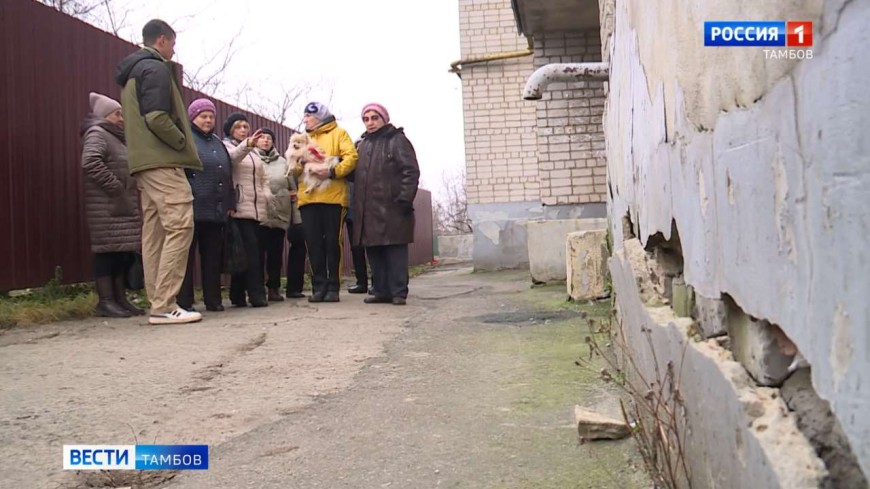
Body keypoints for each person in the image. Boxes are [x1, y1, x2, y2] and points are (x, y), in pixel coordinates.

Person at [115, 19, 203, 325]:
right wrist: (180, 141)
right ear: (162, 40)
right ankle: (166, 303)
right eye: (173, 43)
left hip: (143, 163)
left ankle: (158, 302)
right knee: (180, 225)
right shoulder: (154, 68)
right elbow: (156, 117)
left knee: (154, 232)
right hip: (162, 160)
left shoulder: (132, 73)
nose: (174, 49)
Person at [80, 92, 143, 318]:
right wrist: (116, 187)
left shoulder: (115, 136)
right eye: (117, 114)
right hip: (106, 207)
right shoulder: (97, 133)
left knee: (121, 253)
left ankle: (120, 298)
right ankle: (105, 301)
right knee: (106, 253)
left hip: (121, 205)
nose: (122, 118)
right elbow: (90, 161)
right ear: (105, 115)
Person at [351, 103, 420, 306]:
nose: (370, 122)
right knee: (374, 251)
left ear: (384, 119)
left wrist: (404, 199)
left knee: (395, 251)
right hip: (368, 209)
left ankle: (399, 292)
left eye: (374, 118)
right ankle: (380, 290)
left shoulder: (397, 140)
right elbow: (354, 175)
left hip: (393, 207)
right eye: (366, 119)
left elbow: (411, 171)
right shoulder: (361, 145)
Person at [291, 102, 358, 303]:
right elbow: (292, 168)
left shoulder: (339, 134)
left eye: (309, 117)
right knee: (313, 244)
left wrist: (331, 172)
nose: (305, 120)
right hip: (308, 199)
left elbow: (352, 157)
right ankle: (318, 286)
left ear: (319, 117)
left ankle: (333, 287)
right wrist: (298, 163)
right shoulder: (303, 138)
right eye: (304, 117)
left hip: (333, 198)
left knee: (332, 243)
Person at [176, 98, 235, 312]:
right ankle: (184, 301)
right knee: (186, 258)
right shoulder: (186, 139)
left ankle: (213, 300)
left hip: (216, 209)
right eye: (203, 116)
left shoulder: (218, 142)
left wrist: (230, 202)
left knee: (212, 258)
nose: (208, 120)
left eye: (211, 116)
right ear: (193, 118)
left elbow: (227, 173)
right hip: (192, 207)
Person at [222, 112, 269, 307]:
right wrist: (247, 144)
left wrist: (267, 196)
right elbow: (232, 159)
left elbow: (263, 177)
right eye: (239, 127)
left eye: (245, 127)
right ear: (231, 130)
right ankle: (255, 295)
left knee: (252, 252)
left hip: (256, 208)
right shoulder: (227, 146)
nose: (243, 130)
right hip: (239, 207)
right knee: (246, 253)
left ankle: (238, 296)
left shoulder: (255, 152)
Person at [255, 128, 293, 302]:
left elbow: (293, 188)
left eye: (268, 138)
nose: (265, 141)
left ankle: (274, 288)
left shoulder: (284, 162)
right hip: (259, 215)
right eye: (262, 138)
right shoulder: (252, 159)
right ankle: (257, 289)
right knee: (258, 254)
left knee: (275, 254)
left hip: (280, 214)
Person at [345, 182, 368, 294]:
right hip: (351, 214)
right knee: (356, 248)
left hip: (367, 214)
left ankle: (377, 282)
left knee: (372, 248)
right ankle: (361, 282)